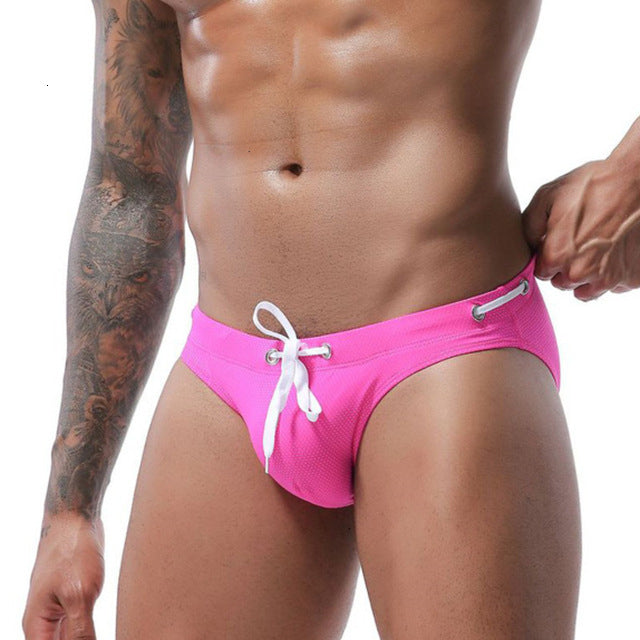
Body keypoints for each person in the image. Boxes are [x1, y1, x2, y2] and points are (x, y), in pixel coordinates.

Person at [22, 0, 640, 638]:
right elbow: (131, 187)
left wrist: (631, 179)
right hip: (231, 376)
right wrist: (70, 511)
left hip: (445, 353)